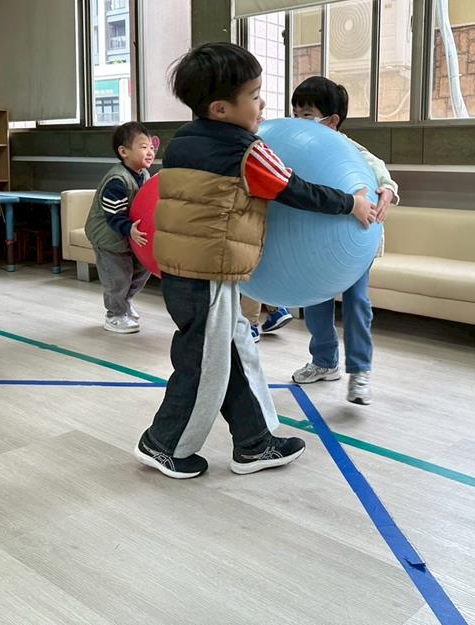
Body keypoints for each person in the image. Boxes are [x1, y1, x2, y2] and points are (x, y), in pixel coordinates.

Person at [134, 43, 375, 479]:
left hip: (186, 269)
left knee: (235, 351)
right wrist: (351, 203)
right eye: (255, 95)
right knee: (205, 366)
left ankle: (254, 441)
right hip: (208, 272)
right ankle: (164, 444)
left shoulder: (183, 141)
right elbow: (296, 189)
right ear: (221, 109)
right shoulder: (247, 151)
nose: (263, 104)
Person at [289, 76, 399, 405]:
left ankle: (360, 371)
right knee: (315, 303)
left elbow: (381, 172)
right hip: (316, 242)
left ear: (332, 120)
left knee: (356, 303)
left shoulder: (348, 148)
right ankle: (325, 362)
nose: (298, 121)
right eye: (295, 114)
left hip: (354, 240)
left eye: (307, 115)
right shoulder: (300, 147)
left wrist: (388, 190)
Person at [84, 122, 156, 334]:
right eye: (143, 147)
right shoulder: (117, 181)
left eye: (151, 147)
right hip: (108, 236)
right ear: (124, 152)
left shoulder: (144, 175)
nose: (150, 152)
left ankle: (124, 303)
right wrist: (129, 228)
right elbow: (113, 215)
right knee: (118, 277)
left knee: (142, 269)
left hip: (130, 234)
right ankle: (114, 315)